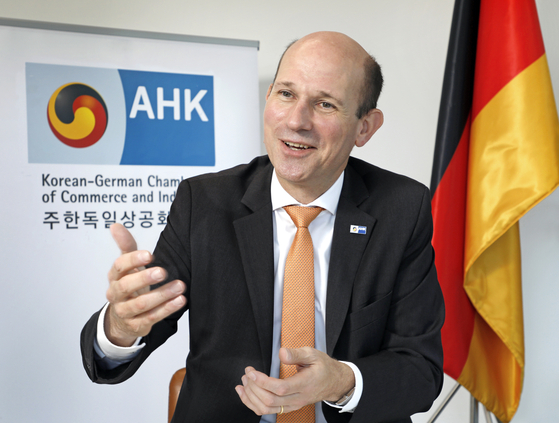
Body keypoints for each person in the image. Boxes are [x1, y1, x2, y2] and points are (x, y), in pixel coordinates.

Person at [81, 31, 444, 423]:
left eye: (325, 104)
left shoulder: (401, 208)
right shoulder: (203, 203)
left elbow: (420, 370)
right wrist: (121, 324)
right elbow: (136, 330)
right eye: (286, 94)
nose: (296, 120)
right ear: (269, 96)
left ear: (364, 128)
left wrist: (340, 381)